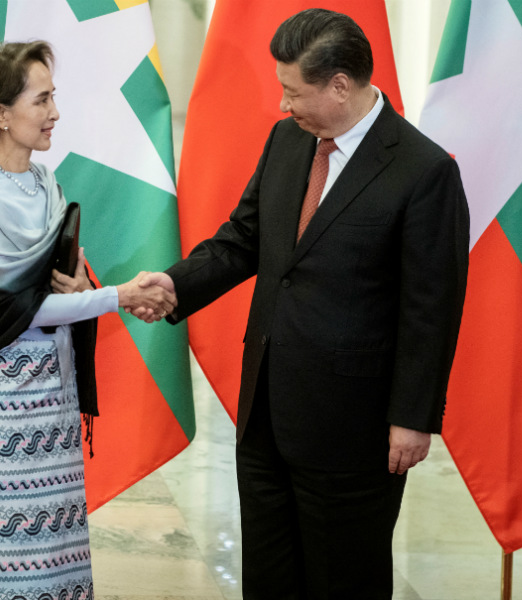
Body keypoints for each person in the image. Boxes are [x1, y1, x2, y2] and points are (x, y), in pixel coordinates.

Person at [136, 9, 469, 599]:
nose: (283, 104)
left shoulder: (424, 171)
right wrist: (173, 285)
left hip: (353, 428)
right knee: (268, 577)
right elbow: (243, 240)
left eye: (293, 91)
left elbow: (431, 310)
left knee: (343, 579)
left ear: (340, 85)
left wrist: (413, 418)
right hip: (265, 410)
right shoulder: (288, 141)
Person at [0, 41, 174, 600]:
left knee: (52, 555)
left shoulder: (47, 184)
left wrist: (87, 288)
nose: (55, 113)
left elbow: (62, 287)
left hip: (51, 396)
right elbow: (17, 308)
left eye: (53, 98)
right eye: (41, 100)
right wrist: (116, 296)